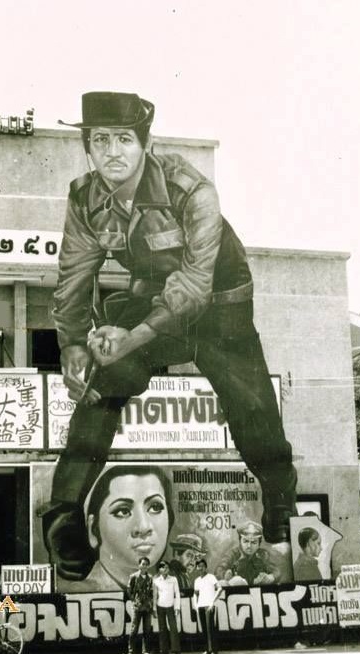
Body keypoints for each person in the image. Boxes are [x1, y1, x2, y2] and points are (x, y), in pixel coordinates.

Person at [43, 90, 297, 575]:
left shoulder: (191, 190)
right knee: (101, 385)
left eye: (124, 139)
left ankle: (282, 503)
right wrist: (73, 343)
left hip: (220, 306)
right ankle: (65, 516)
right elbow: (73, 276)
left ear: (145, 143)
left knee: (253, 409)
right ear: (87, 146)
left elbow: (194, 287)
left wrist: (132, 337)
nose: (112, 151)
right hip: (153, 298)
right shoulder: (84, 198)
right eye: (100, 140)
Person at [51, 464, 174, 592]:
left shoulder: (167, 586)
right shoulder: (76, 593)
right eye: (123, 511)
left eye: (155, 507)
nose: (144, 527)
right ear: (93, 529)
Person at [222, 520, 280, 585]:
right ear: (240, 541)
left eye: (253, 542)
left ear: (259, 544)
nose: (249, 546)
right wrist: (225, 574)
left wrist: (271, 577)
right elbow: (219, 569)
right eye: (245, 541)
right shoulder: (233, 554)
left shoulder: (263, 554)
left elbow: (276, 571)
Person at [124, 556, 154, 654]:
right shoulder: (134, 576)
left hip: (147, 607)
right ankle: (130, 652)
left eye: (146, 564)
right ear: (139, 565)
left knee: (147, 630)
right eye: (143, 564)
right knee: (134, 629)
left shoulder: (150, 578)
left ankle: (146, 652)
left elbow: (151, 591)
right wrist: (134, 600)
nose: (144, 566)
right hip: (137, 607)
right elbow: (129, 590)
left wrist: (150, 602)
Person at [193, 558, 223, 654]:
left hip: (209, 606)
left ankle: (214, 651)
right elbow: (195, 594)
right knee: (204, 629)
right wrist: (196, 605)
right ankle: (207, 650)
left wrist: (212, 602)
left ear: (206, 567)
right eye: (198, 566)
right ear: (196, 568)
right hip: (200, 606)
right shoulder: (197, 580)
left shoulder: (211, 577)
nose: (200, 568)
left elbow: (219, 588)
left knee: (211, 629)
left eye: (202, 566)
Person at [153, 560, 182, 654]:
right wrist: (154, 608)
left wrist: (177, 607)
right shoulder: (156, 581)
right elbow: (155, 595)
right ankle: (164, 652)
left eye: (167, 567)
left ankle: (177, 650)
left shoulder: (173, 579)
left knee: (173, 628)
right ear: (159, 569)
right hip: (160, 606)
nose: (165, 569)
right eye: (162, 567)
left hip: (171, 606)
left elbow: (177, 593)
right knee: (162, 629)